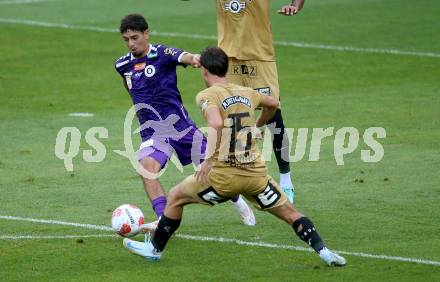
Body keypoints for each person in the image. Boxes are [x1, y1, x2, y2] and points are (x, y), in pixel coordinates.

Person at [122, 47, 346, 267]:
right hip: (256, 176)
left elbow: (216, 123)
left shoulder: (206, 95)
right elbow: (274, 104)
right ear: (226, 69)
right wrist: (258, 126)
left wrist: (208, 161)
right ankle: (324, 252)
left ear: (205, 71)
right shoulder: (247, 93)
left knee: (176, 196)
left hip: (224, 177)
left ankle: (155, 249)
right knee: (290, 213)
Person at [114, 14, 255, 226]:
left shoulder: (162, 53)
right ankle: (163, 220)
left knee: (215, 175)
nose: (131, 44)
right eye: (126, 39)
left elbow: (187, 57)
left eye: (135, 37)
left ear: (146, 33)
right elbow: (130, 88)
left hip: (181, 128)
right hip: (153, 133)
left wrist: (199, 59)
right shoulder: (122, 65)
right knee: (146, 169)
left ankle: (237, 200)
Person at [212, 0, 307, 203]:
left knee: (273, 113)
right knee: (230, 118)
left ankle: (286, 180)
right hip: (228, 58)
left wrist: (296, 5)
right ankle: (236, 179)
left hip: (260, 56)